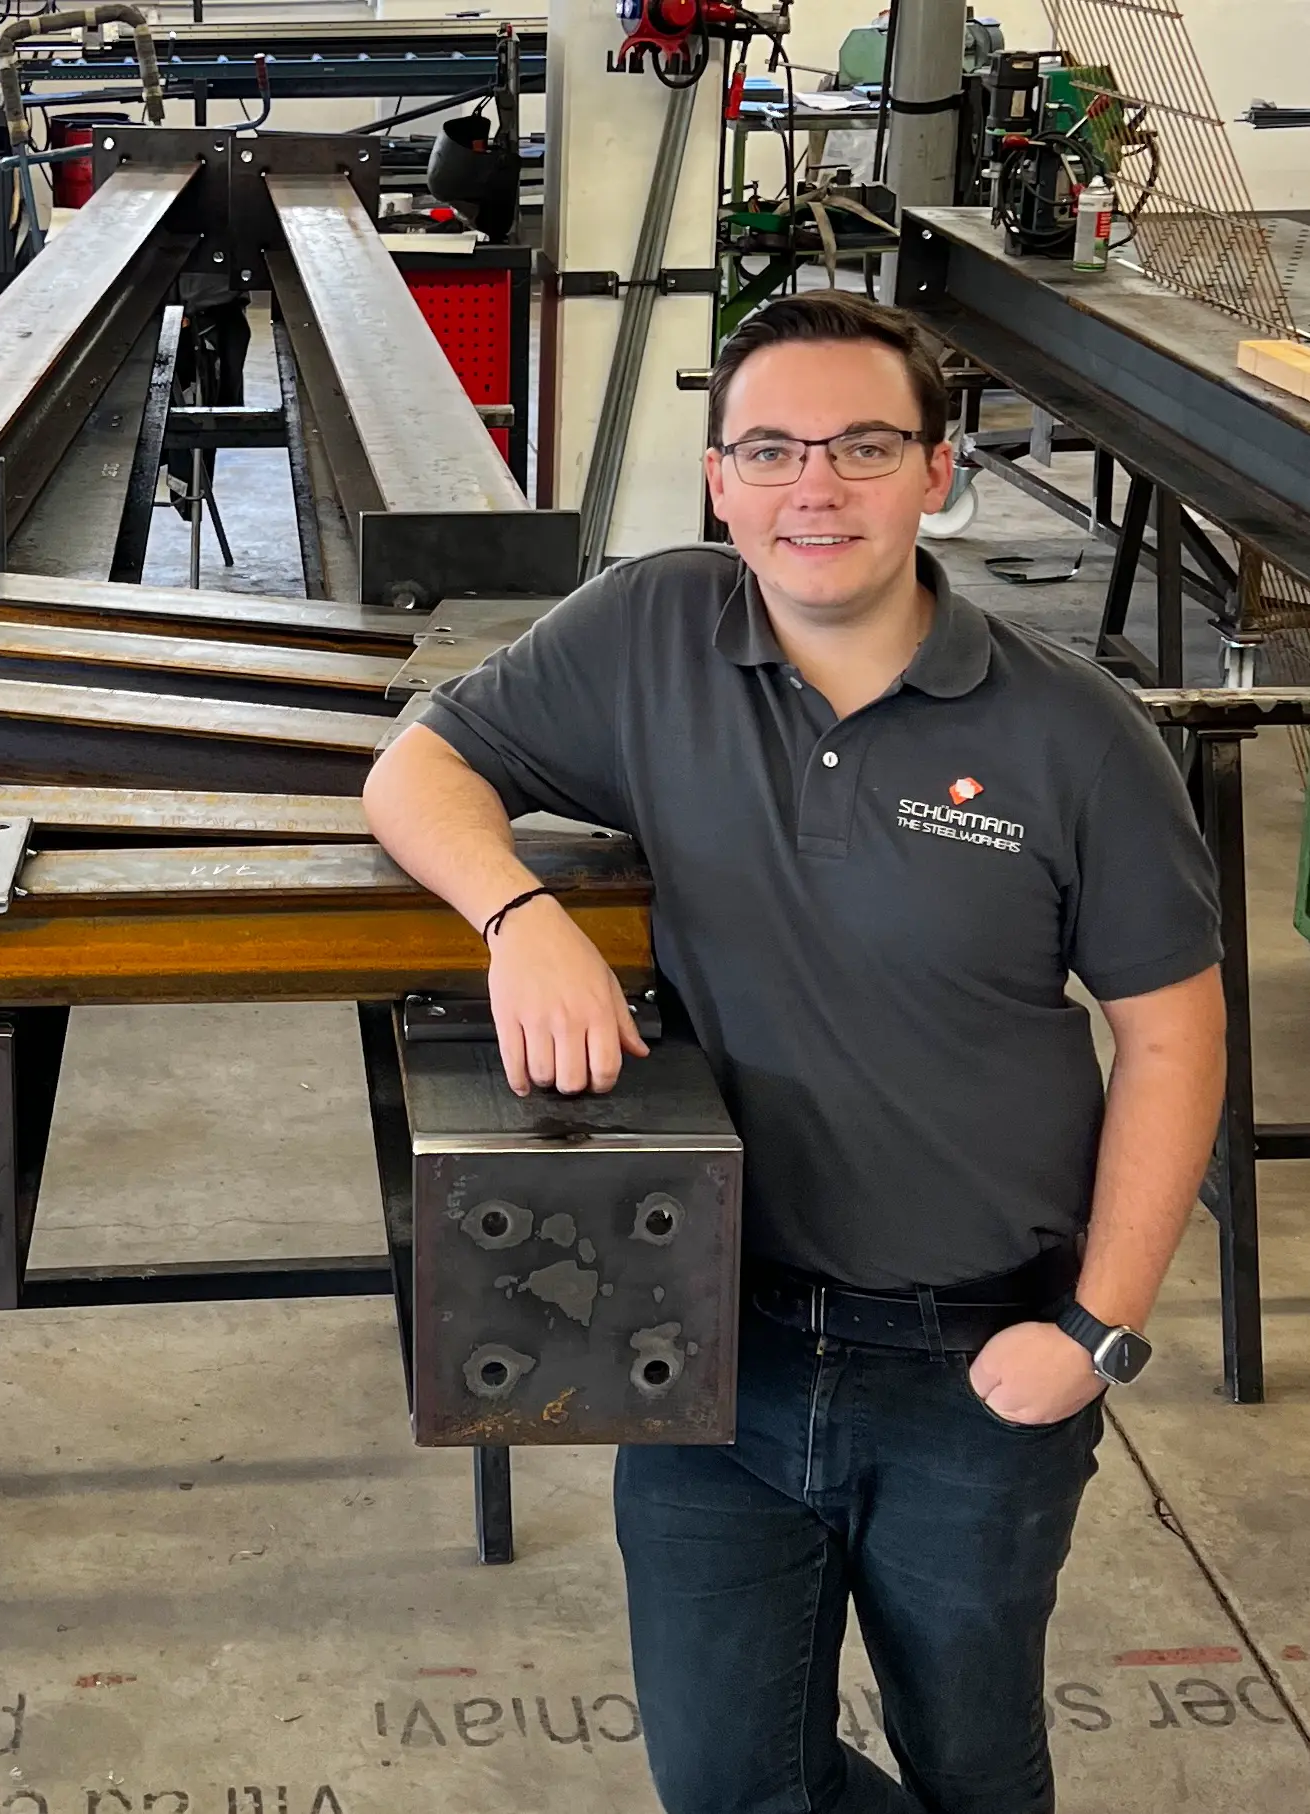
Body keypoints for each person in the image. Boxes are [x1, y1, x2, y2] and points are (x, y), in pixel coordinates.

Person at [363, 290, 1225, 1814]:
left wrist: (1094, 1330)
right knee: (724, 1780)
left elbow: (1172, 1036)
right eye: (768, 449)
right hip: (711, 1346)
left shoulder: (1072, 734)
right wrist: (520, 917)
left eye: (861, 447)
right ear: (717, 478)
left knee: (970, 1766)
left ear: (936, 471)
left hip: (974, 1356)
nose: (811, 487)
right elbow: (417, 767)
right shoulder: (649, 632)